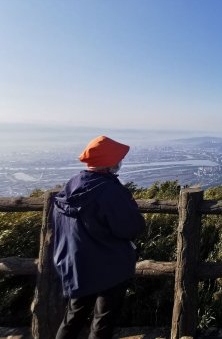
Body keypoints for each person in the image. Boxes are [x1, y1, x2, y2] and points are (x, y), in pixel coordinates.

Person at [53, 135, 146, 339]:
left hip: (76, 264)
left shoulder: (71, 186)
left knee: (73, 316)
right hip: (109, 266)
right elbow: (130, 227)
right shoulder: (108, 191)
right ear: (108, 163)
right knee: (103, 320)